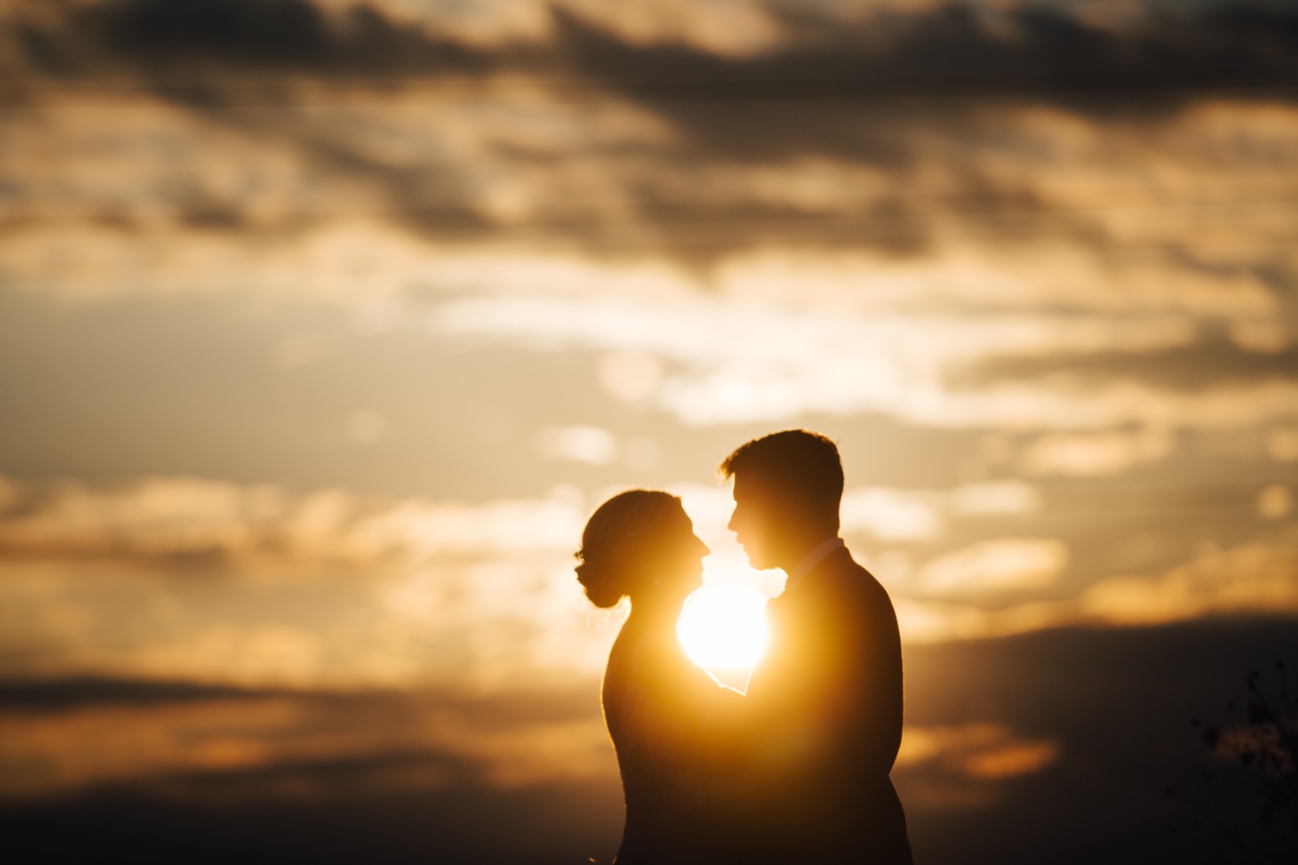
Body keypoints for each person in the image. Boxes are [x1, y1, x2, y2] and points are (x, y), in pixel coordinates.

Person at [721, 429, 913, 864]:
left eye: (746, 503)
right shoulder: (823, 596)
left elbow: (853, 746)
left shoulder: (844, 599)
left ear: (796, 503)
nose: (733, 523)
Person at [576, 489, 742, 865]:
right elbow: (680, 788)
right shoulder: (651, 653)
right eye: (687, 535)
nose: (704, 549)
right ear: (653, 556)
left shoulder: (651, 645)